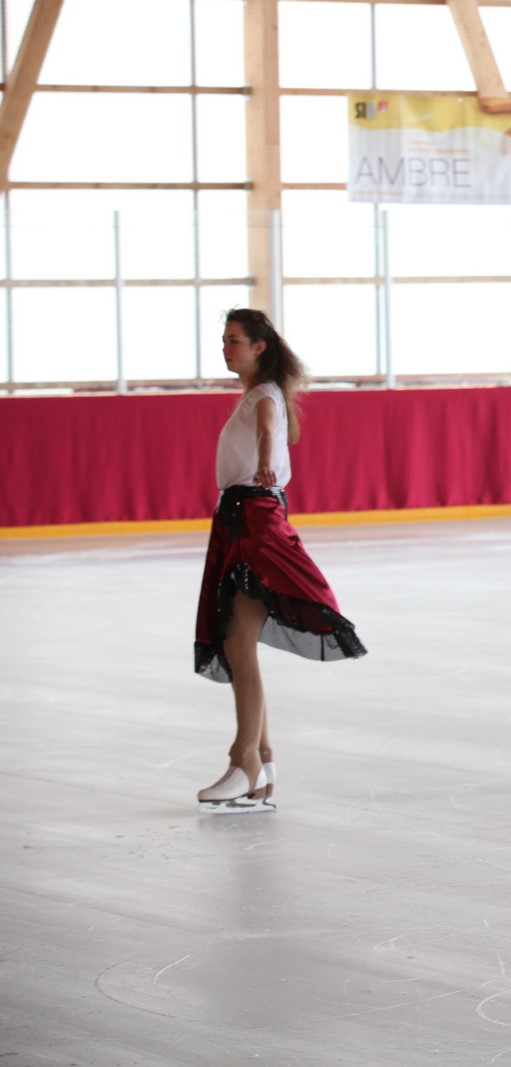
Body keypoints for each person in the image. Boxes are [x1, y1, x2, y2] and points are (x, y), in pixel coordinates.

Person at [193, 309, 366, 814]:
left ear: (259, 347)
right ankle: (262, 764)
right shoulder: (255, 395)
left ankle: (244, 759)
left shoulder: (264, 397)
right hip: (239, 518)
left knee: (238, 645)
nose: (226, 349)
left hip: (254, 519)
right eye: (224, 340)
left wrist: (268, 460)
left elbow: (269, 428)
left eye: (234, 340)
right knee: (236, 644)